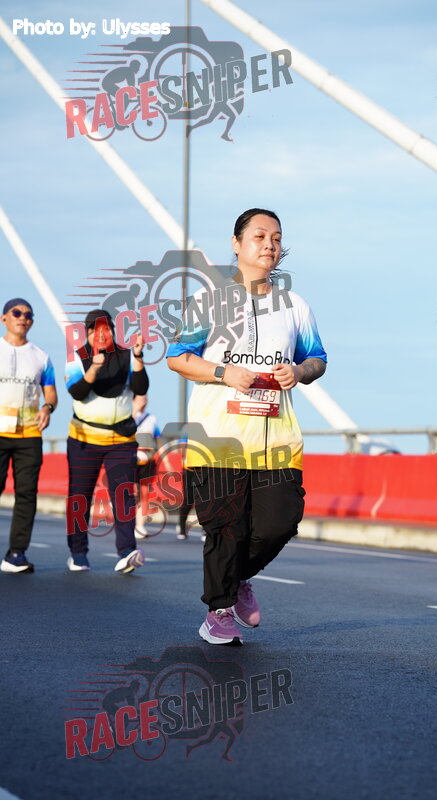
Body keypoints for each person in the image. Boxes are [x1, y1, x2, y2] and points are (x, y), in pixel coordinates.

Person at [167, 208, 327, 644]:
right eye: (259, 236)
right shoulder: (208, 302)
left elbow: (318, 359)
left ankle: (236, 580)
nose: (269, 244)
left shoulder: (295, 306)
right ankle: (218, 611)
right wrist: (224, 373)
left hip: (278, 439)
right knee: (226, 528)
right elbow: (178, 357)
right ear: (236, 243)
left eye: (276, 237)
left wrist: (300, 371)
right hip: (218, 437)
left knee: (281, 523)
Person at [64, 309, 148, 573]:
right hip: (84, 439)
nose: (101, 334)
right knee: (80, 496)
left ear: (112, 331)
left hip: (120, 439)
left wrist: (138, 356)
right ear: (87, 332)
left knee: (123, 495)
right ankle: (78, 553)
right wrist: (95, 367)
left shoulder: (126, 355)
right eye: (94, 330)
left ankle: (127, 551)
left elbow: (141, 388)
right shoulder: (76, 358)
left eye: (106, 329)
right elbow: (77, 392)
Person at [0, 298, 57, 574]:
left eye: (29, 315)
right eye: (17, 313)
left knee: (26, 494)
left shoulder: (41, 357)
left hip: (29, 434)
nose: (23, 318)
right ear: (4, 318)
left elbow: (51, 394)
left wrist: (48, 408)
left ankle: (16, 554)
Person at [132, 394, 161, 539]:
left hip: (147, 460)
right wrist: (134, 411)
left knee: (144, 494)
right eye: (140, 398)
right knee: (130, 492)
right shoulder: (126, 416)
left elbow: (157, 439)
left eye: (145, 398)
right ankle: (127, 522)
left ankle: (140, 526)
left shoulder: (151, 419)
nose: (143, 401)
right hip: (129, 460)